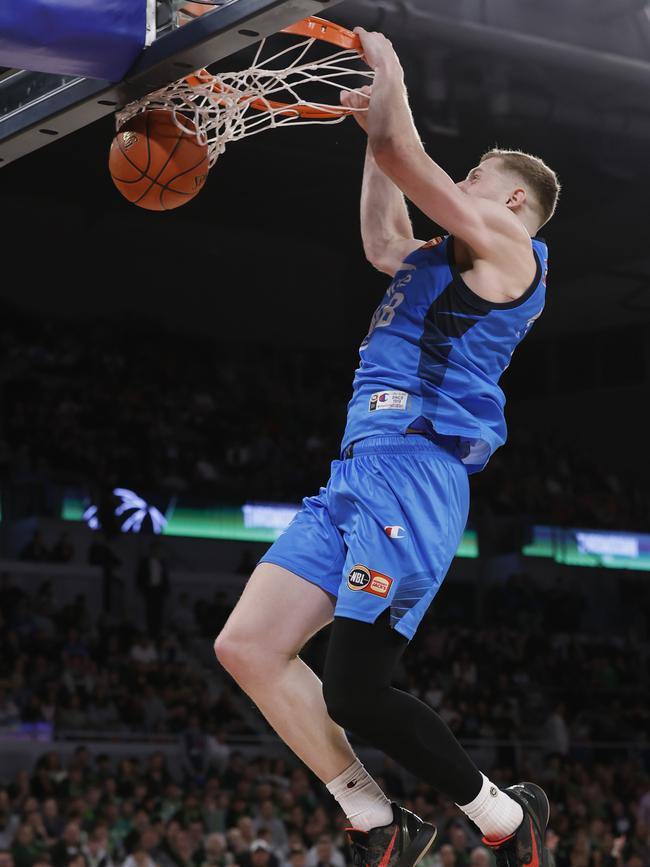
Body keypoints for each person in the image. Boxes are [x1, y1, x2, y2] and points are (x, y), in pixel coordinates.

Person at [214, 25, 559, 867]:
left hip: (416, 472)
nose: (463, 185)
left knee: (356, 689)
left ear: (511, 201)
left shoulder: (512, 252)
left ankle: (506, 817)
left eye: (475, 177)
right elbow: (382, 238)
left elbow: (413, 163)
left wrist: (390, 74)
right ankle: (377, 817)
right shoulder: (438, 259)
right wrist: (376, 136)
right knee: (247, 646)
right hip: (358, 470)